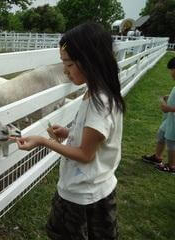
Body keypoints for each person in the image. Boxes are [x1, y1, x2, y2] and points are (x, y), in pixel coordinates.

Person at [11, 22, 125, 240]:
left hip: (83, 195)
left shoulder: (98, 103)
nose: (64, 70)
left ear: (90, 61)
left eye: (69, 64)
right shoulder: (98, 93)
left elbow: (85, 154)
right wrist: (67, 132)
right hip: (93, 187)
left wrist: (44, 142)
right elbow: (94, 137)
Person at [142, 57, 175, 173]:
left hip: (174, 121)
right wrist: (169, 97)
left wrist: (169, 108)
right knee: (161, 135)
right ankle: (157, 157)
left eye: (172, 69)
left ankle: (172, 166)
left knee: (171, 142)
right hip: (169, 120)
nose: (171, 72)